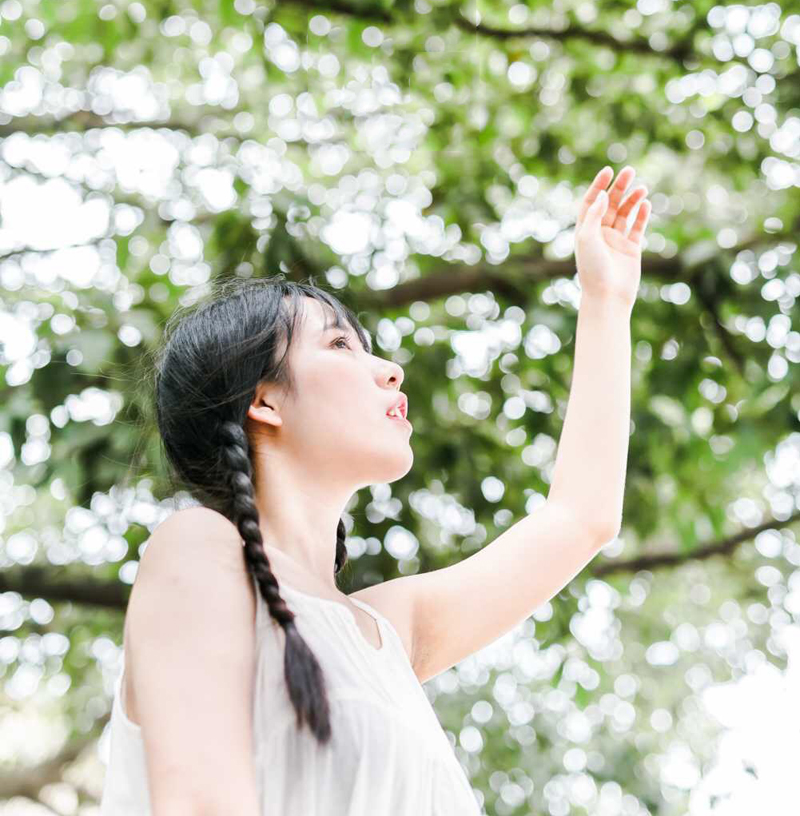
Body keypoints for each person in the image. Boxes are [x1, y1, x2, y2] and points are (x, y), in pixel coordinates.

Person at [99, 165, 650, 815]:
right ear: (265, 399)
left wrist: (606, 300)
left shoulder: (385, 633)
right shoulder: (197, 550)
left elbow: (580, 518)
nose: (388, 369)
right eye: (339, 344)